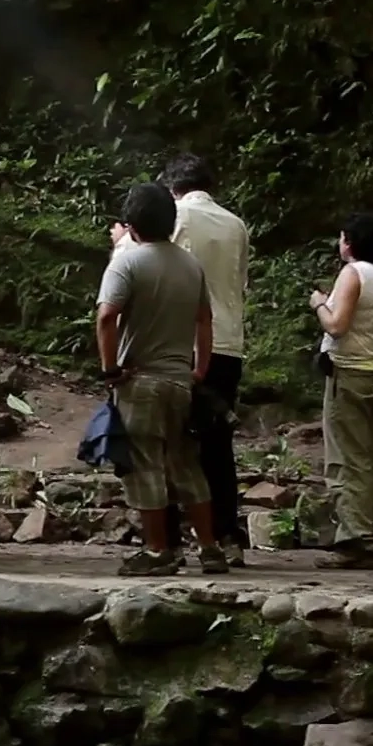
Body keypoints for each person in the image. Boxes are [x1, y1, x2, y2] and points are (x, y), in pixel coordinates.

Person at [114, 155, 252, 566]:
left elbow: (140, 256)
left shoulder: (178, 216)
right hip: (228, 342)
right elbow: (240, 281)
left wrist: (119, 238)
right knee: (215, 444)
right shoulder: (236, 224)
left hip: (180, 343)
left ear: (170, 190)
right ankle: (227, 538)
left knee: (164, 444)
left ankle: (166, 541)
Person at [98, 182, 227, 577]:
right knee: (187, 465)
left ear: (132, 223)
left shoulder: (127, 262)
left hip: (141, 381)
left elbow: (106, 317)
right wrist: (199, 369)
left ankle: (158, 552)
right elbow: (205, 320)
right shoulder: (191, 265)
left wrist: (110, 370)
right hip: (180, 381)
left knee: (145, 465)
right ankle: (210, 548)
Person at [311, 213, 373, 570]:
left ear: (349, 242)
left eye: (342, 238)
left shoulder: (352, 274)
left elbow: (337, 326)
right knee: (367, 459)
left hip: (349, 374)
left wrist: (319, 303)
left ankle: (357, 540)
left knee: (345, 459)